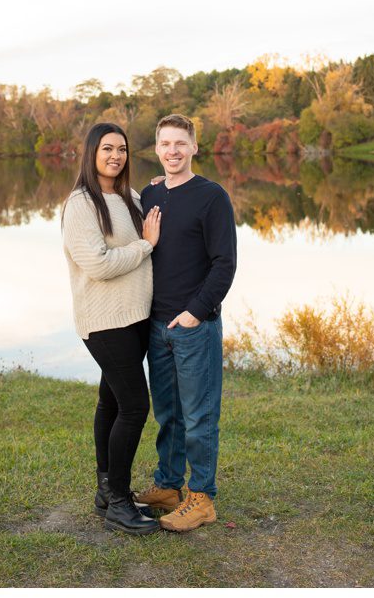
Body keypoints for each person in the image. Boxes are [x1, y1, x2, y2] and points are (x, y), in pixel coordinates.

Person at [131, 114, 237, 533]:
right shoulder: (151, 194)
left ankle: (202, 497)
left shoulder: (212, 197)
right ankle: (169, 487)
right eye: (164, 144)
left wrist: (195, 312)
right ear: (155, 149)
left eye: (180, 143)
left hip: (193, 325)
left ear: (194, 147)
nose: (172, 151)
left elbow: (224, 263)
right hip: (157, 326)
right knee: (169, 414)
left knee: (198, 416)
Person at [60, 122, 164, 535]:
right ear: (91, 153)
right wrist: (145, 246)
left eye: (121, 149)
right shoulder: (80, 204)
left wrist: (161, 186)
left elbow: (152, 211)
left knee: (112, 401)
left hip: (135, 317)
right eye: (107, 149)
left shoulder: (128, 196)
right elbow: (100, 264)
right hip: (105, 321)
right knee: (135, 406)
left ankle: (106, 491)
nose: (116, 156)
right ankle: (119, 502)